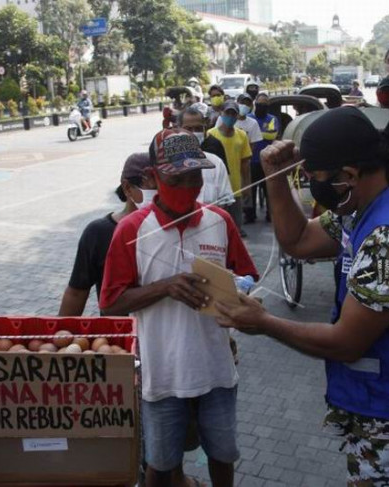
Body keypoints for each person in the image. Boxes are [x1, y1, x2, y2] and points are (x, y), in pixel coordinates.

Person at [215, 107, 389, 486]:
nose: (314, 188)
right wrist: (276, 178)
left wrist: (263, 323)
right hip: (384, 403)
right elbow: (298, 240)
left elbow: (346, 343)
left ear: (348, 176)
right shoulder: (365, 205)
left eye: (315, 180)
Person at [99, 129, 258, 487]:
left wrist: (246, 298)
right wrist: (166, 287)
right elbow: (109, 303)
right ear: (153, 177)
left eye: (195, 177)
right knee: (160, 463)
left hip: (217, 369)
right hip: (162, 374)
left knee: (223, 455)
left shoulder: (220, 221)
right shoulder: (131, 230)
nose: (189, 187)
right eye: (178, 179)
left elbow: (247, 275)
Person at [58, 153, 156, 316]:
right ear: (127, 188)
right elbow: (76, 292)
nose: (158, 194)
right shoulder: (98, 233)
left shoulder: (169, 228)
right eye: (150, 188)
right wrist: (60, 334)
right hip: (119, 336)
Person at [207, 100, 252, 237]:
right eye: (228, 113)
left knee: (236, 227)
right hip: (217, 188)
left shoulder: (242, 135)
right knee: (218, 228)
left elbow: (245, 163)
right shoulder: (211, 134)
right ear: (221, 113)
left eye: (234, 114)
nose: (231, 116)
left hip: (236, 188)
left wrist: (247, 185)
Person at [178, 106, 235, 208]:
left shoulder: (216, 163)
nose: (193, 133)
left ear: (205, 129)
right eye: (188, 129)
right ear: (178, 129)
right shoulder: (167, 162)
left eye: (198, 129)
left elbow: (225, 201)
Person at [246, 93, 279, 222]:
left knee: (269, 190)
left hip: (268, 160)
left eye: (264, 104)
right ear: (255, 104)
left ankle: (270, 214)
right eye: (259, 104)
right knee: (250, 190)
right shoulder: (248, 118)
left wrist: (254, 133)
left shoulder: (272, 119)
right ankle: (250, 215)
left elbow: (272, 135)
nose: (262, 106)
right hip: (251, 160)